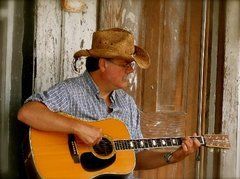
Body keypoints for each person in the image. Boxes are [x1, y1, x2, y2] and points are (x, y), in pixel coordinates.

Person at [18, 28, 200, 177]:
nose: (130, 70)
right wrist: (78, 127)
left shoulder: (126, 103)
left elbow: (136, 156)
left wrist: (172, 157)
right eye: (125, 64)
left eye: (132, 65)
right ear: (104, 64)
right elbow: (28, 113)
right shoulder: (71, 91)